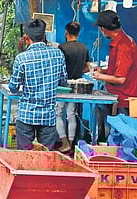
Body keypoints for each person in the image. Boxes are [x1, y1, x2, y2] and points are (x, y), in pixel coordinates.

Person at [8, 19, 68, 151]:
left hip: (26, 115)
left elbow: (13, 87)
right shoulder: (58, 54)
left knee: (25, 157)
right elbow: (63, 81)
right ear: (44, 36)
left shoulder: (21, 58)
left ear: (26, 38)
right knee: (46, 157)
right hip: (48, 115)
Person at [92, 10, 137, 115]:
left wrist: (99, 76)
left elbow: (121, 79)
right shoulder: (121, 41)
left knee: (117, 130)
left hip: (122, 100)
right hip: (117, 97)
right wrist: (103, 71)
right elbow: (119, 70)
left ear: (103, 29)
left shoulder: (123, 46)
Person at [56, 21, 91, 152]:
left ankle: (64, 142)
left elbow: (59, 68)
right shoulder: (84, 48)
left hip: (63, 86)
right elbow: (87, 68)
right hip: (77, 85)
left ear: (66, 33)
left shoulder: (62, 47)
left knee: (58, 113)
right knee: (71, 114)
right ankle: (71, 144)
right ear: (78, 33)